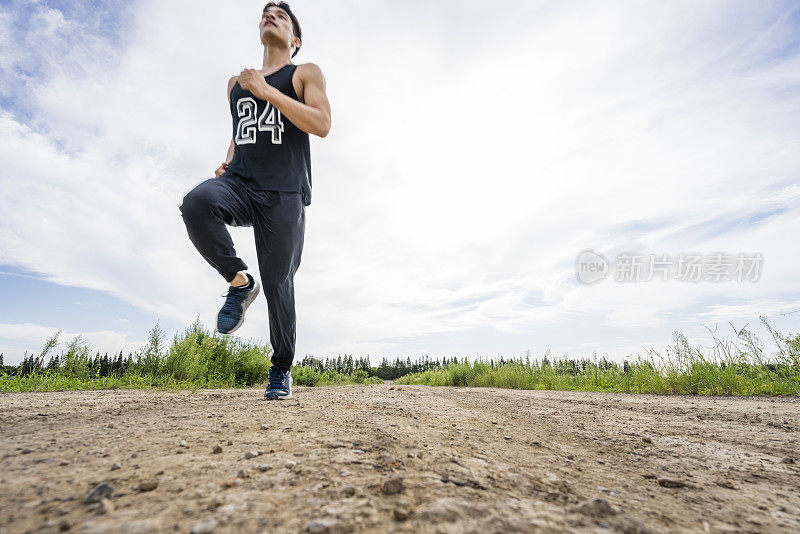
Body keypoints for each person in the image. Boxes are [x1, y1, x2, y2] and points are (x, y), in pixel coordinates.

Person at [179, 2, 331, 400]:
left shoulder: (304, 73)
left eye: (281, 15)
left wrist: (268, 91)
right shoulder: (236, 84)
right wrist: (228, 159)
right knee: (196, 203)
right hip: (241, 183)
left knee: (280, 281)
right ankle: (240, 282)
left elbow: (322, 124)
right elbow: (242, 128)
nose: (271, 14)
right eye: (266, 12)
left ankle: (281, 368)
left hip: (284, 193)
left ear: (294, 40)